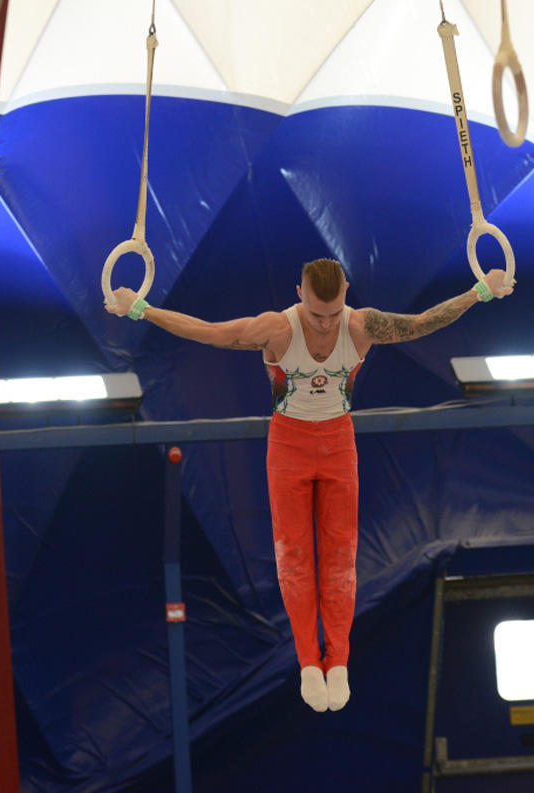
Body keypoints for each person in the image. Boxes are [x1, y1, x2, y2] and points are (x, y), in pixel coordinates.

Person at [106, 258, 513, 712]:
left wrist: (481, 291)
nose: (325, 324)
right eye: (318, 314)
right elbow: (210, 332)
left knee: (340, 555)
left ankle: (338, 660)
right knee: (294, 556)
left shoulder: (360, 326)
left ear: (347, 294)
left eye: (334, 313)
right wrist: (140, 309)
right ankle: (307, 662)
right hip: (288, 446)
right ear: (299, 293)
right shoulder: (277, 329)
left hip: (339, 443)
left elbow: (422, 324)